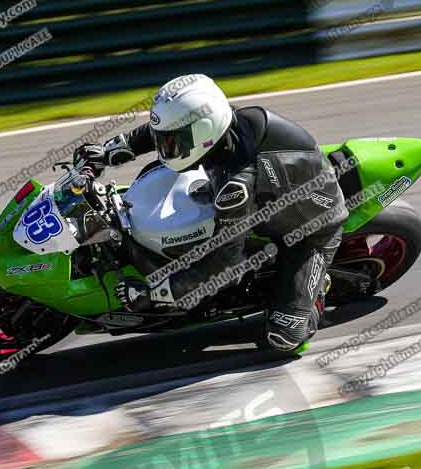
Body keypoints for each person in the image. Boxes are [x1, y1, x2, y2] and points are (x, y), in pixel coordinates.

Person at [73, 74, 347, 353]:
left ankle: (316, 291)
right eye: (165, 141)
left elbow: (226, 264)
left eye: (171, 142)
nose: (165, 148)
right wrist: (111, 150)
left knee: (285, 338)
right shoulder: (222, 122)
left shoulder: (236, 188)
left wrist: (156, 293)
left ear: (204, 131)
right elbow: (169, 127)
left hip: (310, 230)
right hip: (279, 184)